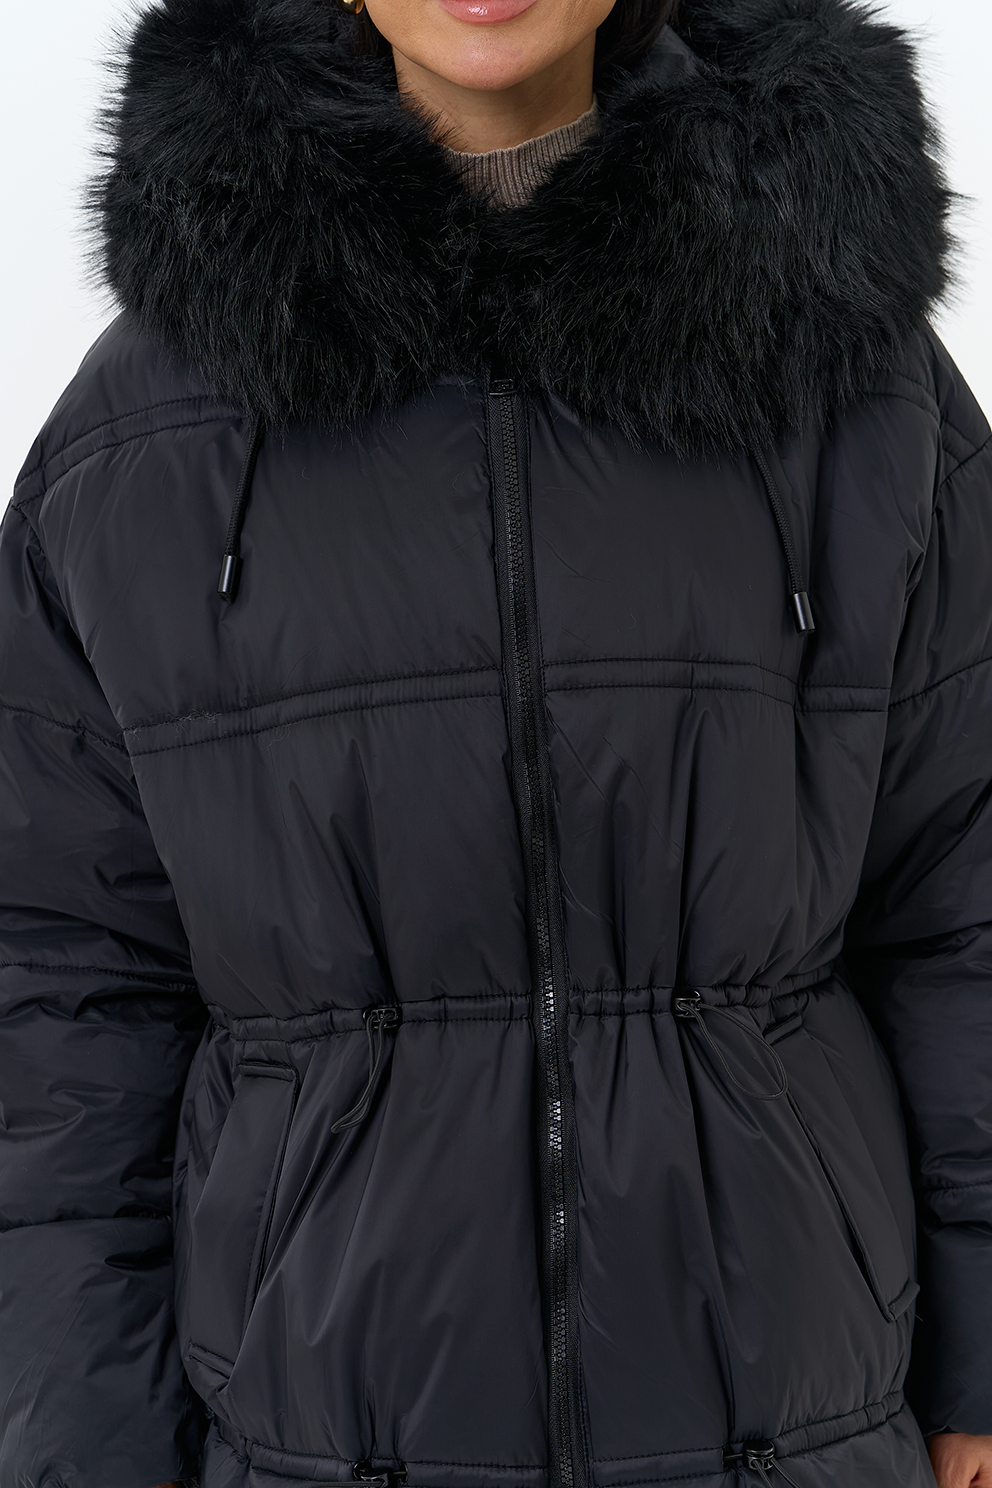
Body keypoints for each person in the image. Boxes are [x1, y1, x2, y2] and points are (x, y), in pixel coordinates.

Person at [1, 0, 990, 1484]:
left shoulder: (851, 371)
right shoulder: (142, 433)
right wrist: (83, 1444)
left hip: (799, 1427)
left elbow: (967, 891)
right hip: (315, 1442)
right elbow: (60, 985)